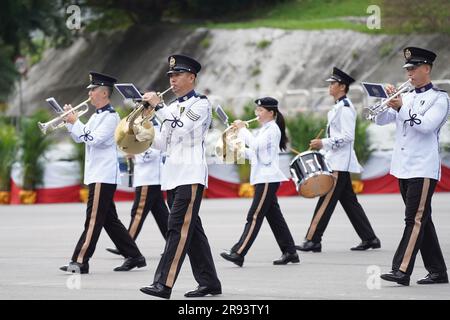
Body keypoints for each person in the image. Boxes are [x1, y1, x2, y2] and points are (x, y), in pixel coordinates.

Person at [139, 54, 221, 299]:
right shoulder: (171, 107)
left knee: (176, 229)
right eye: (170, 76)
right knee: (192, 232)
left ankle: (163, 284)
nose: (172, 80)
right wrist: (143, 129)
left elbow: (183, 128)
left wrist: (159, 108)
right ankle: (210, 283)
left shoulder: (201, 104)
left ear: (192, 78)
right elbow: (164, 143)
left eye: (177, 75)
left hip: (190, 175)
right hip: (172, 176)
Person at [60, 72, 146, 274]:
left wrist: (76, 122)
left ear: (104, 93)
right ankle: (134, 256)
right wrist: (70, 122)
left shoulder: (110, 117)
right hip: (96, 174)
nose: (89, 93)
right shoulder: (96, 116)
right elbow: (80, 138)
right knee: (109, 220)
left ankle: (80, 260)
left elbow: (94, 139)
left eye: (93, 89)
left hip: (103, 175)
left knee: (93, 220)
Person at [377, 47, 449, 286]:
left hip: (423, 167)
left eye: (414, 68)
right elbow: (379, 120)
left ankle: (401, 269)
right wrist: (384, 101)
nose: (409, 73)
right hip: (403, 167)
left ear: (427, 69)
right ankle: (438, 271)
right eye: (407, 69)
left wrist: (400, 107)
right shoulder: (405, 96)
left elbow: (427, 126)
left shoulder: (440, 98)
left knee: (413, 220)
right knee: (422, 219)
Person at [296, 67, 380, 253]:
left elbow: (348, 137)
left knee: (325, 201)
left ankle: (312, 240)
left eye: (333, 83)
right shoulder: (338, 107)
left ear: (342, 86)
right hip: (335, 161)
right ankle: (370, 238)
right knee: (350, 203)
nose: (330, 86)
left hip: (339, 164)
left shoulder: (346, 108)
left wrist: (323, 142)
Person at [220, 97, 300, 267]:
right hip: (262, 177)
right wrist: (234, 144)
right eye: (257, 110)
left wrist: (242, 130)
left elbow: (255, 146)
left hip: (267, 179)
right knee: (275, 218)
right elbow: (255, 154)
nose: (257, 113)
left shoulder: (272, 129)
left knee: (254, 216)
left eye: (261, 110)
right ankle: (290, 252)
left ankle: (238, 252)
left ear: (271, 113)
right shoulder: (264, 129)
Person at [106, 119, 169, 256]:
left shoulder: (154, 125)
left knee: (138, 213)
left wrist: (135, 153)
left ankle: (126, 244)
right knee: (162, 216)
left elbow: (153, 151)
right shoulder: (143, 123)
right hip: (147, 178)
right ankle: (172, 245)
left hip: (149, 178)